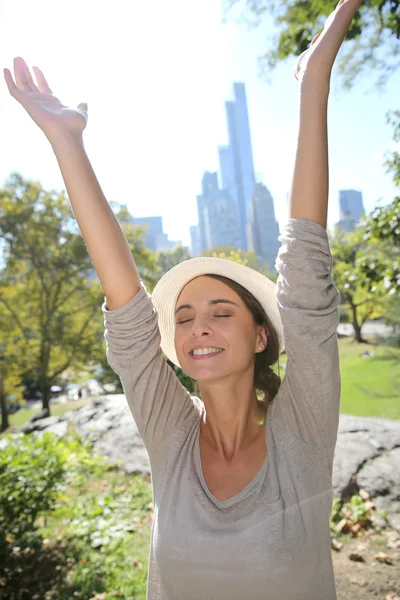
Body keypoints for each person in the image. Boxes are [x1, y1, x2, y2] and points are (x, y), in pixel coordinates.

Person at [3, 1, 362, 597]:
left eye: (222, 313)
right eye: (186, 316)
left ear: (260, 335)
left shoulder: (301, 430)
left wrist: (313, 85)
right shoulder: (171, 433)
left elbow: (305, 272)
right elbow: (127, 310)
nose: (198, 327)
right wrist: (66, 140)